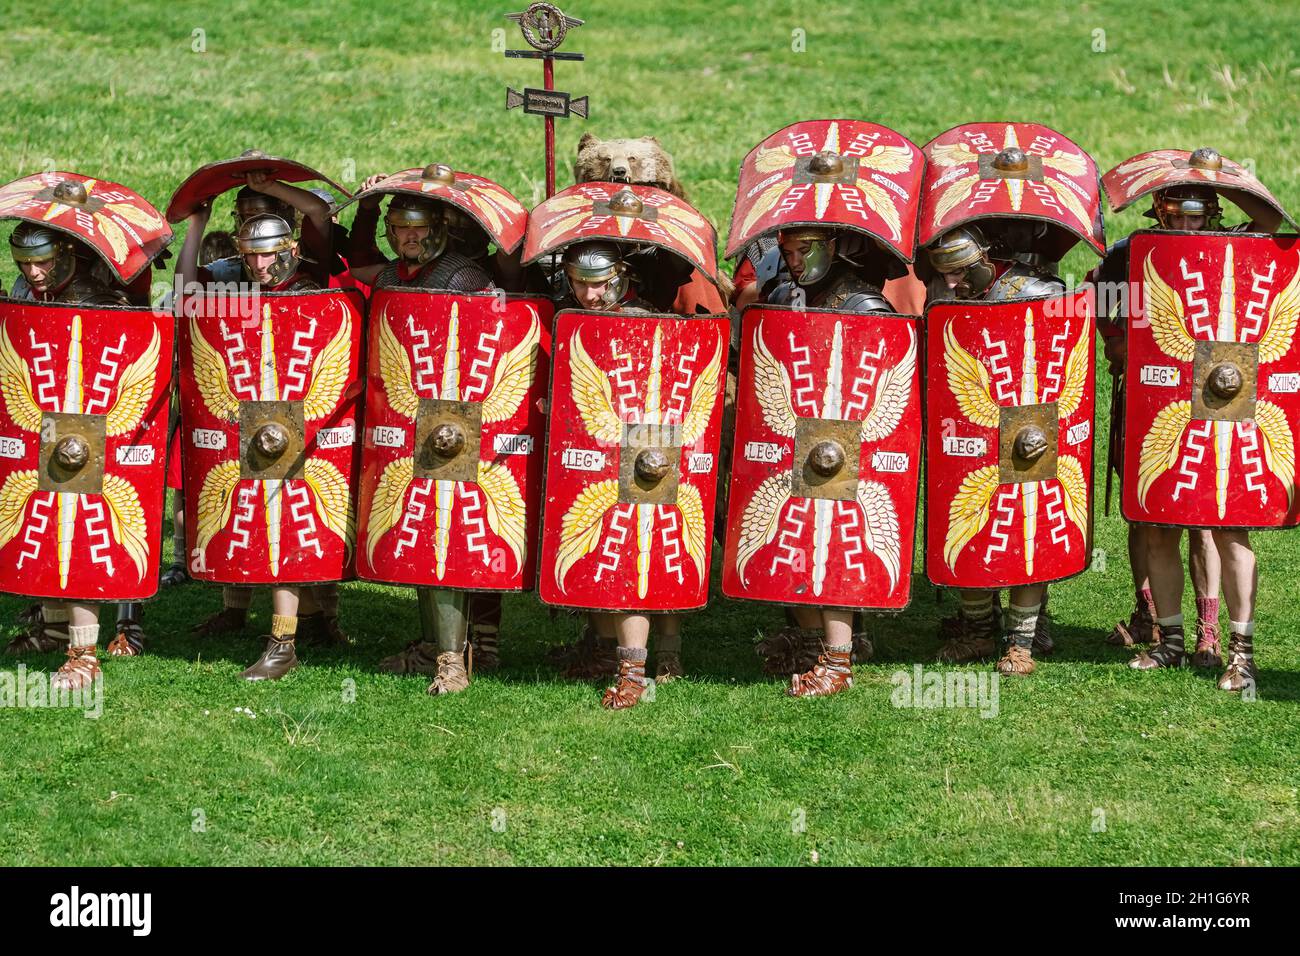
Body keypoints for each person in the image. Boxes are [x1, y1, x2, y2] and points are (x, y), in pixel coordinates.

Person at [1094, 149, 1284, 691]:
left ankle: (1230, 644)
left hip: (1222, 407)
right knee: (1155, 519)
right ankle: (1169, 639)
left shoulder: (1236, 247)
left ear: (1213, 213)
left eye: (1196, 211)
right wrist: (1126, 348)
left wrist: (1218, 181)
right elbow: (1108, 321)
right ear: (1159, 210)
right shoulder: (1132, 255)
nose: (1184, 221)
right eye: (1174, 210)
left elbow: (1274, 222)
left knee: (1222, 521)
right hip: (1155, 404)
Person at [348, 178, 499, 693]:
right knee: (417, 531)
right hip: (413, 421)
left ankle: (454, 661)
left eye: (415, 228)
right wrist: (366, 208)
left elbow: (493, 336)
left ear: (438, 229)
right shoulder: (396, 272)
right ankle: (431, 645)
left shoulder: (466, 277)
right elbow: (354, 266)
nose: (406, 238)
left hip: (459, 423)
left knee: (448, 537)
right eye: (398, 228)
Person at [178, 209, 331, 680]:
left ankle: (285, 642)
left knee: (288, 528)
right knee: (245, 517)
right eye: (250, 257)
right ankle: (246, 614)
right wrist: (196, 227)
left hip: (303, 425)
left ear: (291, 251)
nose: (260, 267)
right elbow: (186, 295)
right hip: (249, 424)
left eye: (268, 256)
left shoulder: (317, 289)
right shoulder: (237, 296)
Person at [924, 221, 1066, 675]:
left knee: (1028, 529)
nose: (950, 282)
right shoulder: (945, 297)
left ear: (985, 258)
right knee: (966, 521)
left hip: (1029, 430)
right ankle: (979, 630)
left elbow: (1061, 356)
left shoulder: (1037, 290)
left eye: (960, 270)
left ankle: (1021, 640)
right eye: (943, 272)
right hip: (969, 433)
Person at [2, 223, 140, 685]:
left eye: (42, 261)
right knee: (42, 525)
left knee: (81, 536)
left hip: (87, 434)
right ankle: (54, 629)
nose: (33, 272)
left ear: (64, 253)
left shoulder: (93, 298)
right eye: (24, 262)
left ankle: (85, 654)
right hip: (43, 428)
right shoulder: (26, 290)